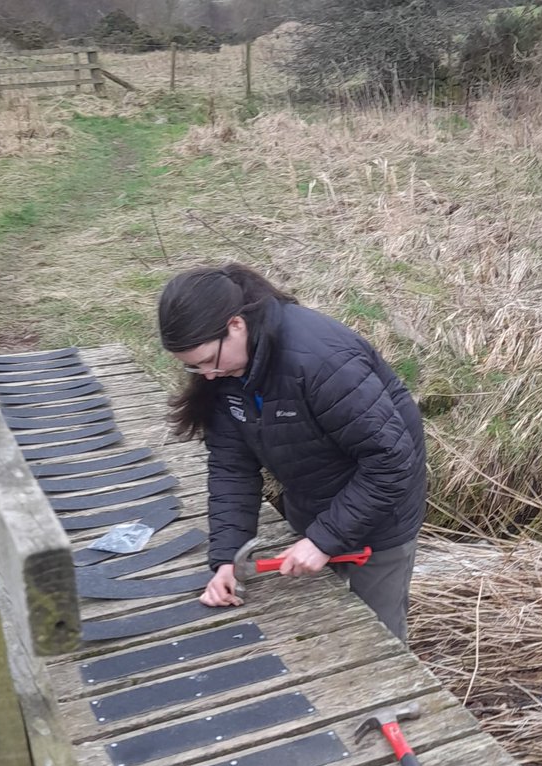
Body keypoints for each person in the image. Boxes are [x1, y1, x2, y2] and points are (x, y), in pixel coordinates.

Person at [158, 263, 427, 643]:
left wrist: (323, 540)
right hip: (313, 500)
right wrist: (226, 559)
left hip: (382, 520)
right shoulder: (227, 372)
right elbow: (232, 468)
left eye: (206, 361)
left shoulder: (322, 360)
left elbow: (392, 460)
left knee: (378, 636)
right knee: (319, 627)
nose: (206, 375)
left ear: (236, 325)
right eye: (193, 367)